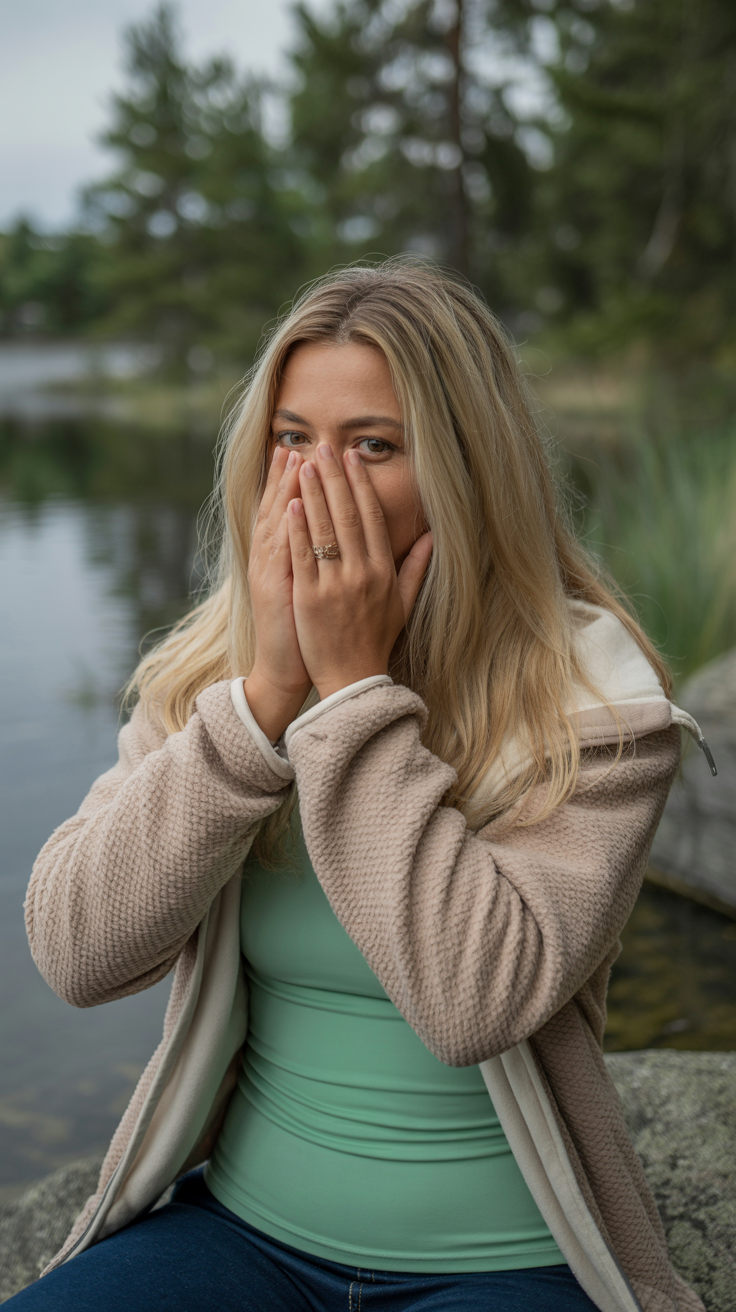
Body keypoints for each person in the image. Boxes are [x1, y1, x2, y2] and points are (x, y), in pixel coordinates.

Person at [14, 260, 705, 1311]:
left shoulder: (593, 697)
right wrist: (262, 706)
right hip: (241, 1236)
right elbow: (76, 951)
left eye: (371, 446)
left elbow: (475, 999)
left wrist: (348, 695)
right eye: (292, 440)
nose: (310, 486)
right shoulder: (210, 674)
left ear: (467, 472)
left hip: (505, 1262)